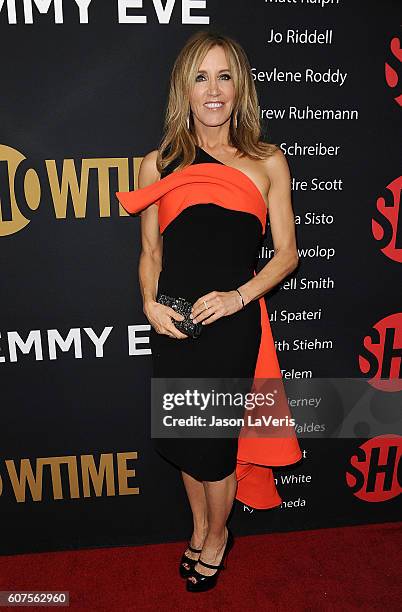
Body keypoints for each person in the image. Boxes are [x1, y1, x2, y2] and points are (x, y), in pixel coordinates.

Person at [116, 30, 302, 593]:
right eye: (201, 77)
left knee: (216, 447)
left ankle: (218, 536)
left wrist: (238, 297)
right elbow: (151, 253)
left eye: (224, 76)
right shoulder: (160, 163)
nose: (214, 90)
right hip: (175, 323)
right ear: (185, 90)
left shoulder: (267, 161)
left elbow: (288, 254)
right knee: (186, 441)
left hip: (233, 322)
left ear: (239, 86)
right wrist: (148, 304)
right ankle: (198, 527)